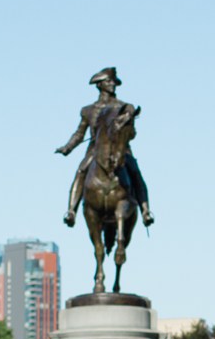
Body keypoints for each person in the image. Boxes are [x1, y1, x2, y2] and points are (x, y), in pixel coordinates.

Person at [57, 66, 153, 228]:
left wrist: (127, 126)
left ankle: (145, 211)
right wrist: (67, 148)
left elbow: (132, 134)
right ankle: (71, 211)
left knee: (135, 172)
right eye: (108, 81)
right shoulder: (88, 110)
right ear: (99, 84)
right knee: (81, 171)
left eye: (114, 82)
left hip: (122, 150)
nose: (112, 85)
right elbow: (80, 134)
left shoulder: (125, 107)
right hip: (95, 151)